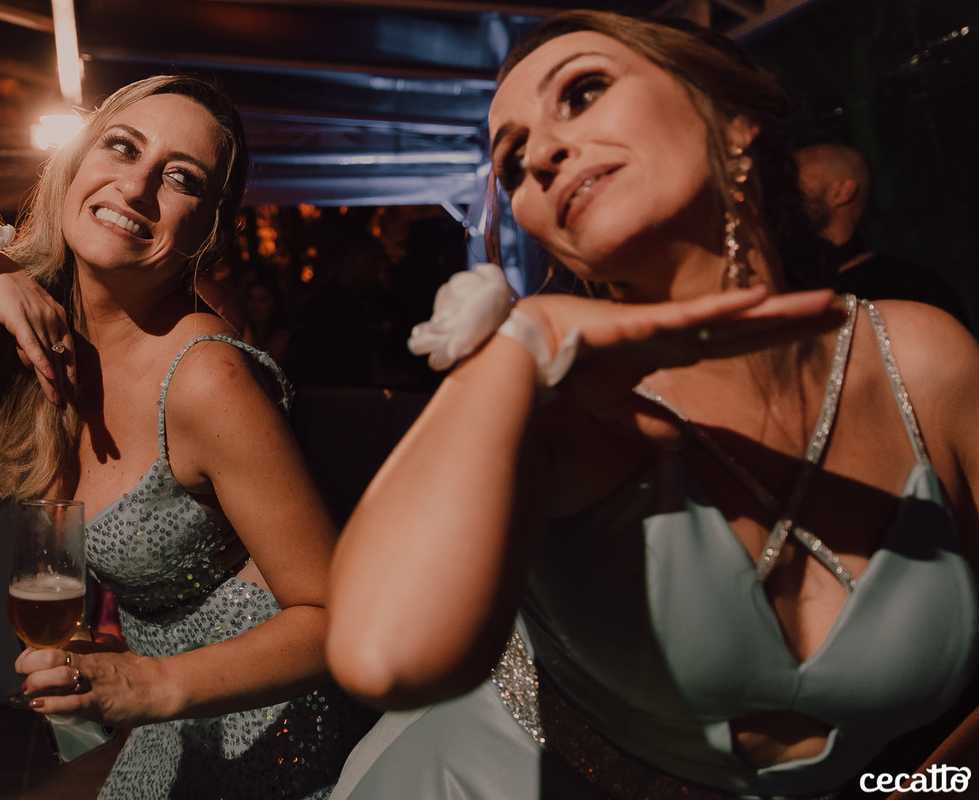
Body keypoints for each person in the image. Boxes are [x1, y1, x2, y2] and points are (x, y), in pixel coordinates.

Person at [325, 12, 979, 800]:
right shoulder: (559, 403)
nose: (541, 155)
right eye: (513, 161)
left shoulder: (924, 360)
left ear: (733, 122)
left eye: (582, 92)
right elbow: (384, 656)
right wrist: (521, 346)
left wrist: (929, 787)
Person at [0, 73, 373, 799]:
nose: (136, 187)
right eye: (122, 147)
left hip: (276, 735)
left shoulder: (205, 378)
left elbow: (334, 617)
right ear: (74, 164)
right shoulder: (29, 338)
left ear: (208, 231)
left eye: (181, 178)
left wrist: (154, 683)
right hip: (169, 720)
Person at [796, 142, 971, 328]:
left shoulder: (911, 288)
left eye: (794, 175)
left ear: (842, 192)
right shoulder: (790, 281)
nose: (781, 192)